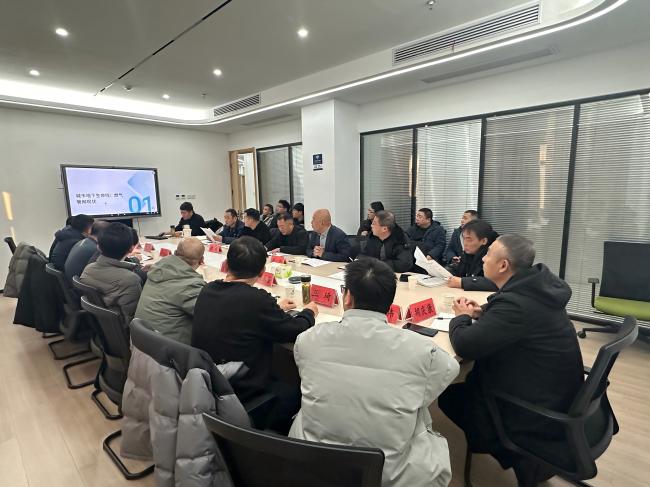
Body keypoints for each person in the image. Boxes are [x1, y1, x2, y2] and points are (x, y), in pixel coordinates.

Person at [290, 259, 458, 487]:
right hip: (388, 475)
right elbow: (450, 369)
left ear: (347, 297)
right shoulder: (420, 348)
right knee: (417, 414)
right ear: (390, 304)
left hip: (313, 463)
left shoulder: (308, 339)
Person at [438, 235, 584, 482]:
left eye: (488, 254)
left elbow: (465, 345)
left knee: (449, 396)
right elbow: (517, 317)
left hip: (533, 409)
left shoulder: (517, 305)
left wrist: (461, 317)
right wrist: (483, 312)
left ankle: (519, 456)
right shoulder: (537, 289)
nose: (483, 258)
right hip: (557, 394)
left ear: (503, 265)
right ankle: (527, 458)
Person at [192, 236, 319, 434]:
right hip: (242, 389)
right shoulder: (257, 300)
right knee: (296, 390)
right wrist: (309, 313)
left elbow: (240, 313)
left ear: (227, 265)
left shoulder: (207, 290)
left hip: (209, 383)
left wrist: (274, 309)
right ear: (262, 271)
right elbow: (295, 329)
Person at [135, 238, 205, 345]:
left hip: (140, 343)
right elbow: (209, 316)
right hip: (167, 350)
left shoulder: (158, 270)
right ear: (201, 260)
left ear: (175, 253)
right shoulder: (191, 285)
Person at [80, 222, 143, 324]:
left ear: (98, 247)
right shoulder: (130, 280)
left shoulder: (88, 269)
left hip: (101, 325)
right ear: (131, 248)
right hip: (122, 329)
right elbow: (133, 321)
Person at [446, 219, 498, 291]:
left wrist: (463, 282)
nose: (465, 243)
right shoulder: (469, 253)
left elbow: (495, 283)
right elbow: (460, 271)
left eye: (469, 239)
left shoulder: (493, 257)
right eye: (464, 239)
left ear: (484, 241)